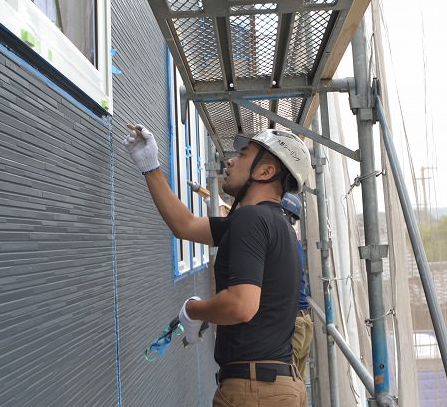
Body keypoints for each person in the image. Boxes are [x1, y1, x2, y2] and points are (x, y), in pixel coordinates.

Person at [123, 124, 311, 406]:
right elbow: (185, 225)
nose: (230, 161)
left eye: (243, 155)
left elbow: (240, 306)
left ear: (265, 172)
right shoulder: (273, 223)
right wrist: (150, 166)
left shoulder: (252, 220)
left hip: (254, 391)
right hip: (275, 385)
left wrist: (193, 309)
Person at [280, 192, 314, 387]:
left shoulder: (285, 241)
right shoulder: (293, 242)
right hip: (302, 321)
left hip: (294, 323)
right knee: (297, 385)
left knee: (286, 386)